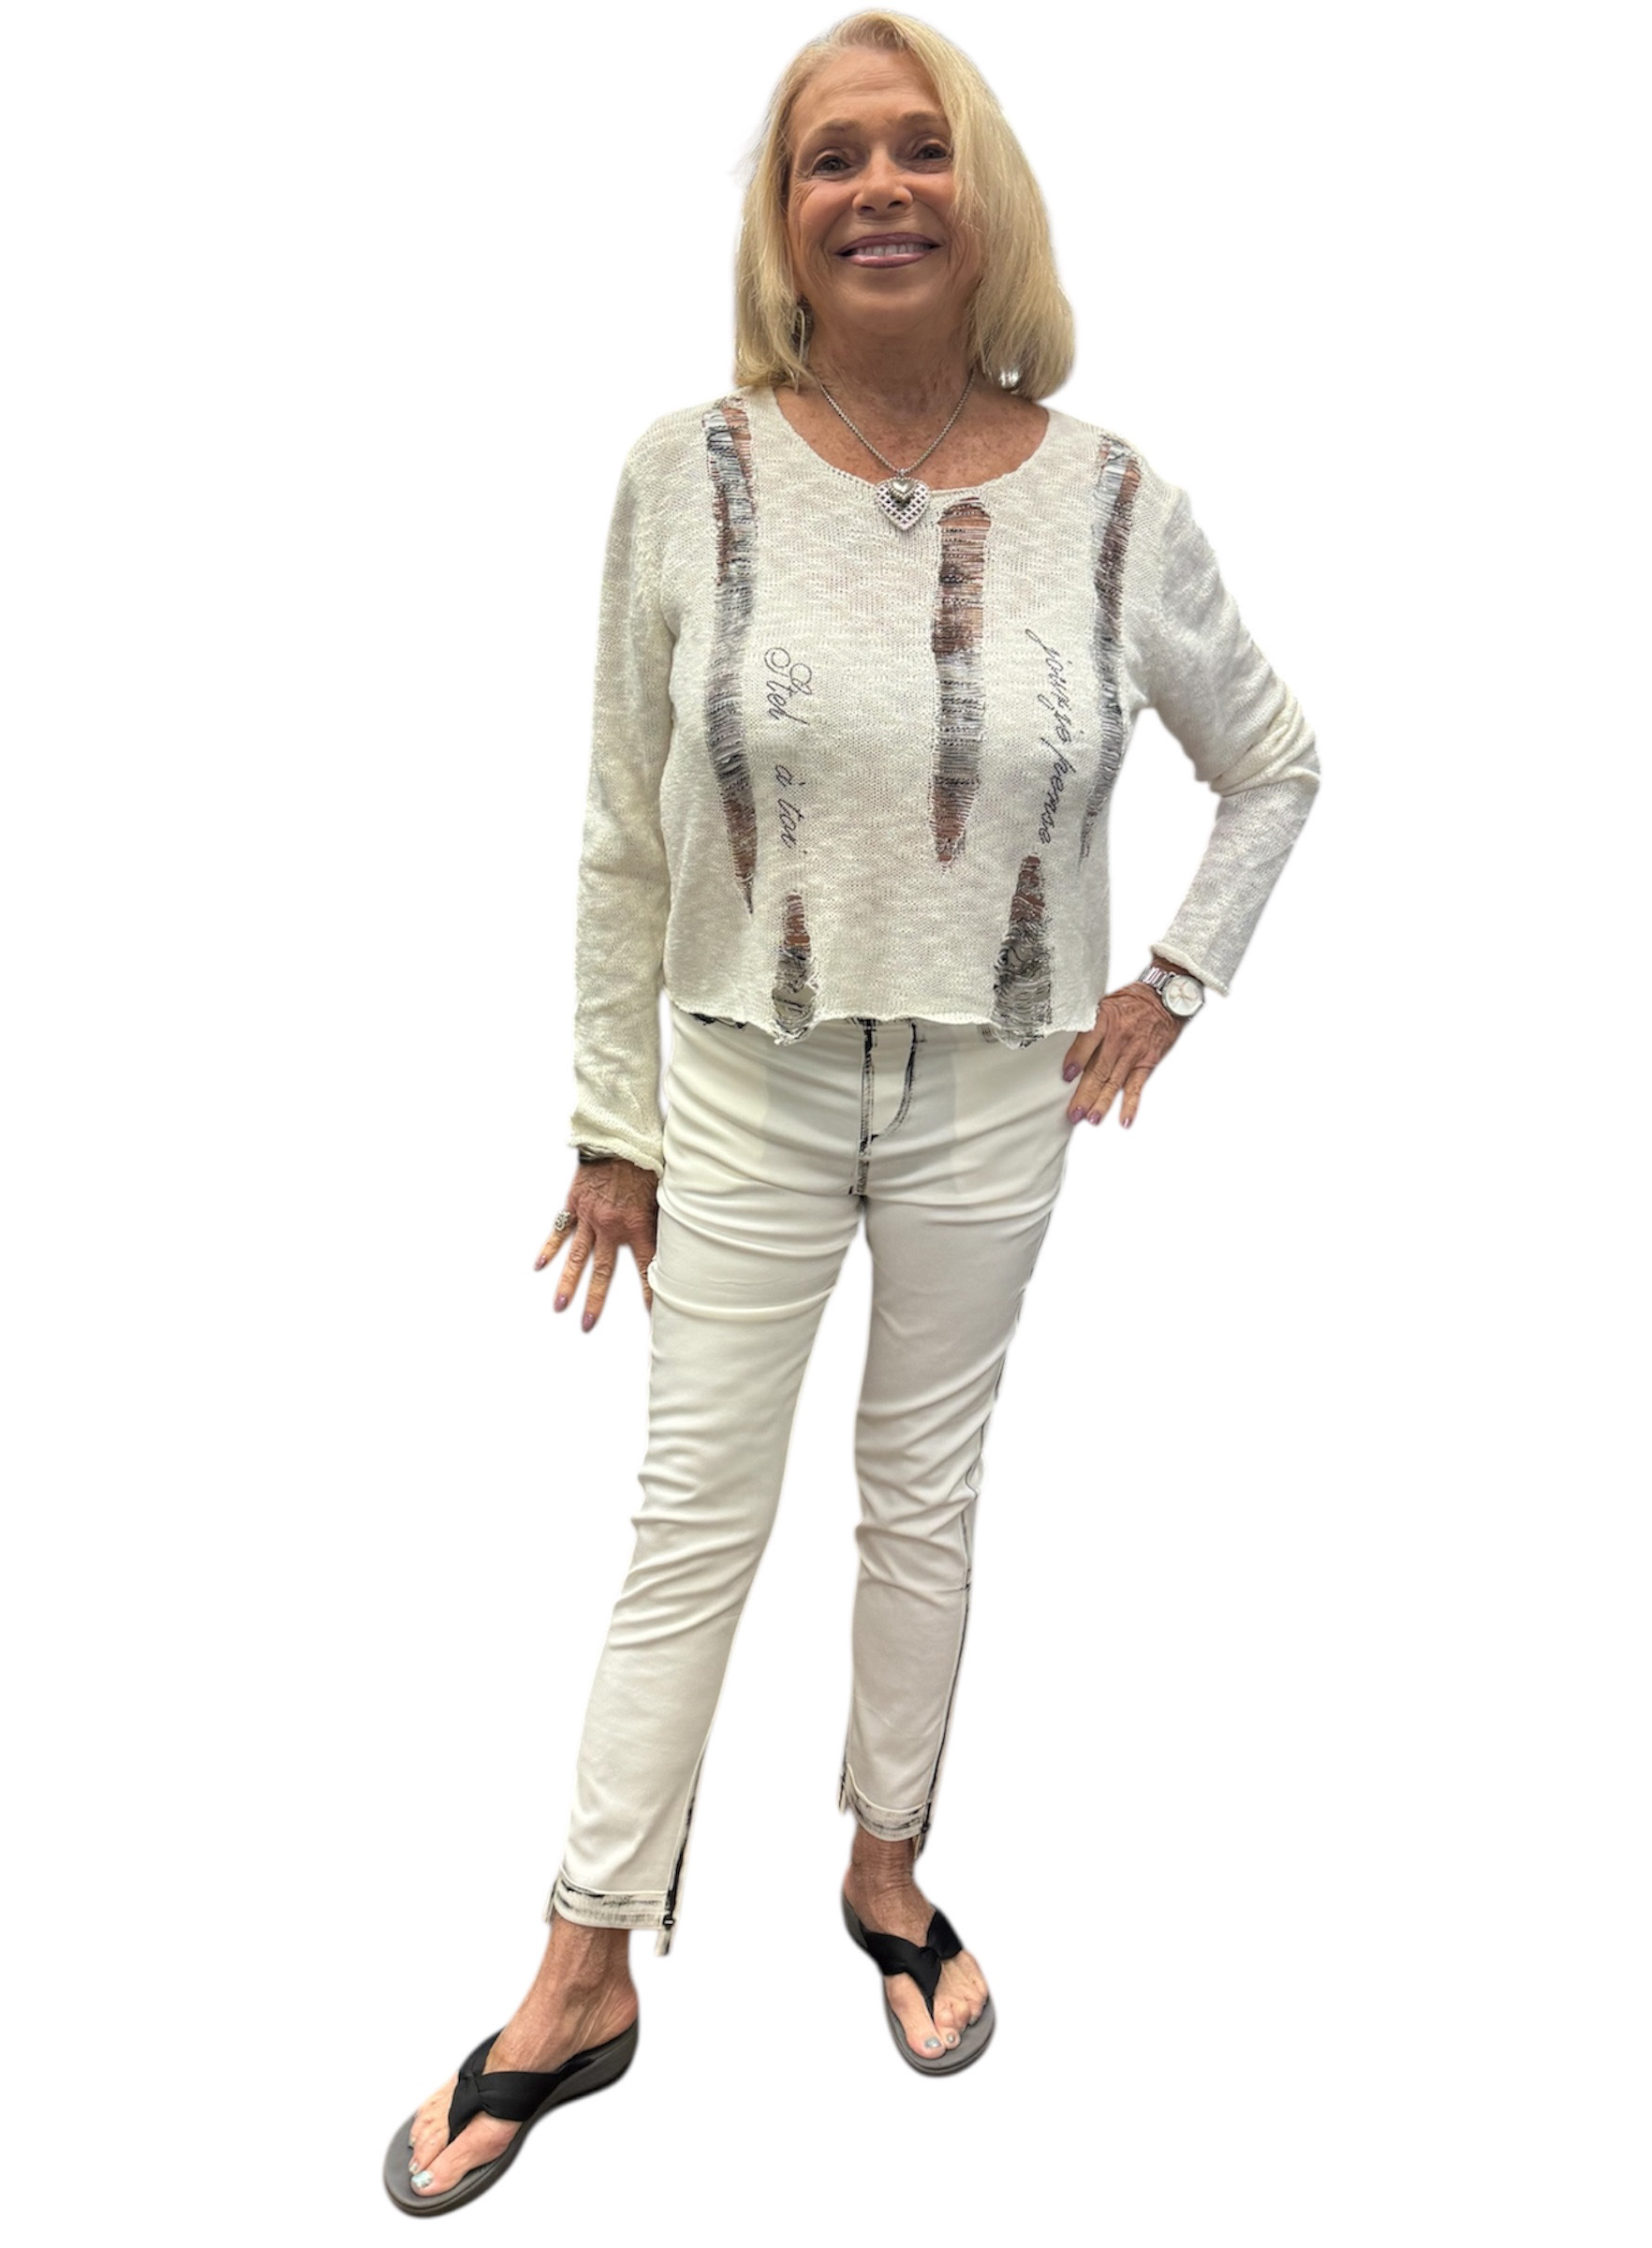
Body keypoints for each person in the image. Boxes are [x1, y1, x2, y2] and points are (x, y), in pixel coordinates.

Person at [384, 7, 1319, 2215]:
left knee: (923, 1495)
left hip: (998, 1087)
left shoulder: (1117, 503)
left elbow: (1275, 760)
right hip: (745, 1076)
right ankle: (584, 1961)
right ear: (781, 219)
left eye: (921, 148)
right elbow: (626, 826)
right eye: (832, 158)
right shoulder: (687, 474)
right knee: (692, 1520)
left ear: (983, 199)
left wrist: (1175, 986)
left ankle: (887, 1871)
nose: (881, 187)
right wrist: (611, 1122)